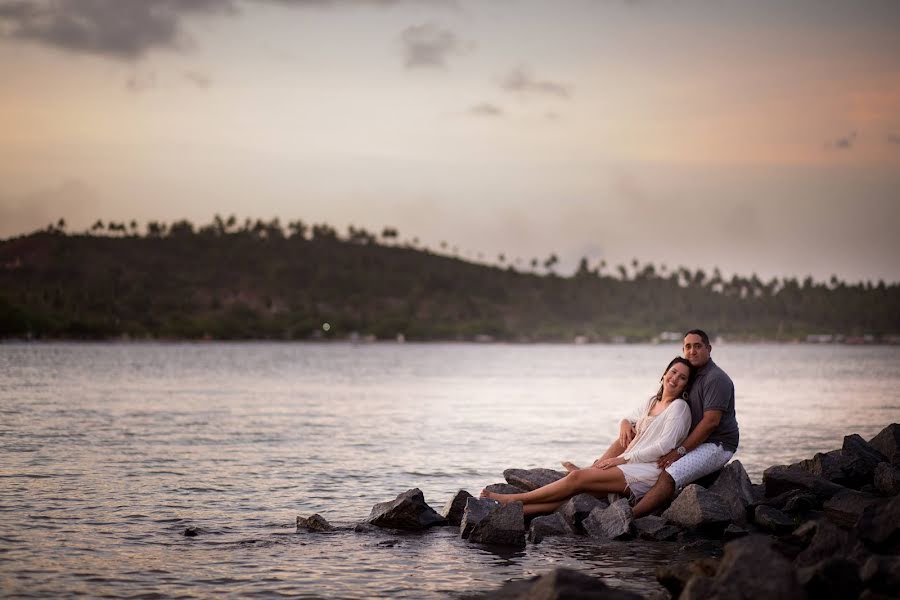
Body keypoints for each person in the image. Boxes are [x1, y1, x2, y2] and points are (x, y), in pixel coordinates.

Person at [480, 357, 695, 515]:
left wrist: (621, 459)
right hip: (631, 464)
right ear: (664, 374)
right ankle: (522, 512)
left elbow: (664, 445)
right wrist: (623, 423)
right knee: (579, 493)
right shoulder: (651, 401)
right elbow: (631, 417)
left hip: (648, 471)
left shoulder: (679, 408)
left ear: (686, 385)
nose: (675, 378)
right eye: (673, 372)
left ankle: (511, 499)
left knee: (576, 480)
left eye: (682, 377)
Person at [629, 329, 739, 518]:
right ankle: (596, 470)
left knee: (669, 473)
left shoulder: (715, 378)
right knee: (634, 436)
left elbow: (711, 423)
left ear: (709, 348)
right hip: (693, 440)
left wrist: (679, 451)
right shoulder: (692, 375)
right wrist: (629, 423)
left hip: (717, 444)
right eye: (688, 347)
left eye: (698, 346)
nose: (692, 351)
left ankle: (630, 516)